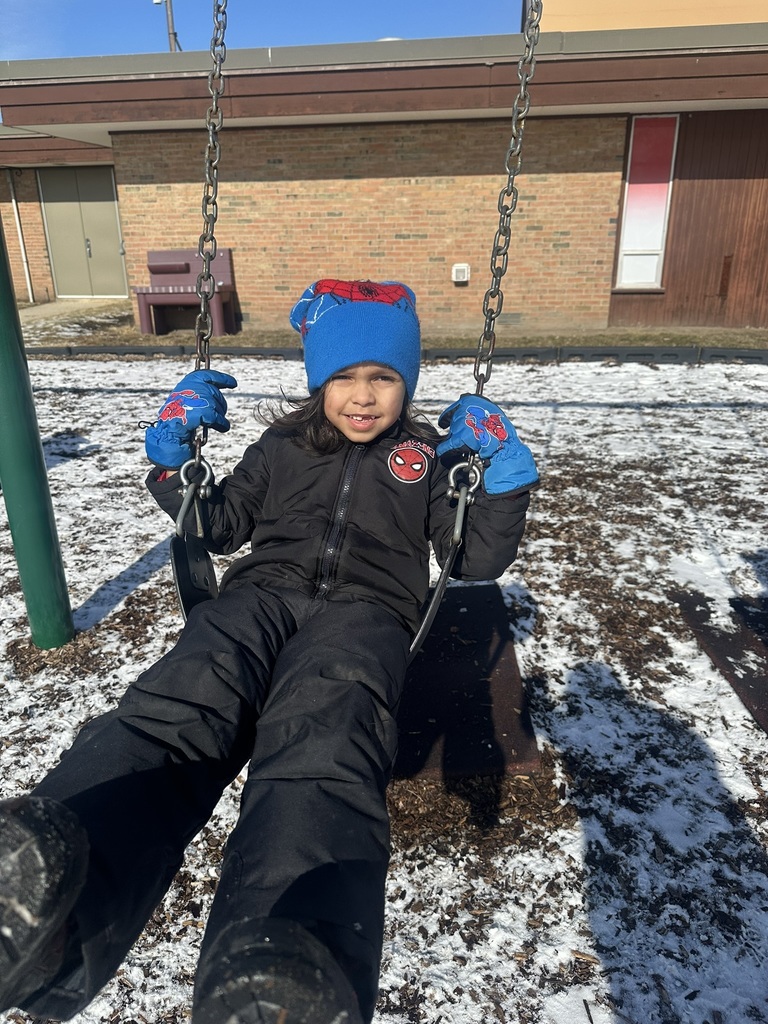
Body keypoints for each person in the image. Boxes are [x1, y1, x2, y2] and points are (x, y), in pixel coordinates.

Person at [0, 279, 538, 1024]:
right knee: (181, 700)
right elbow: (221, 525)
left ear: (407, 384)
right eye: (343, 377)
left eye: (383, 377)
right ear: (318, 380)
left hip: (368, 613)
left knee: (327, 737)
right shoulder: (283, 443)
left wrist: (501, 482)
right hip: (260, 596)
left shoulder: (428, 454)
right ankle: (58, 906)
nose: (362, 395)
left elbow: (469, 556)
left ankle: (291, 953)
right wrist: (173, 466)